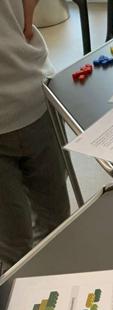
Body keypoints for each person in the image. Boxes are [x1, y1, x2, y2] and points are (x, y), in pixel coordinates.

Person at [0, 0, 70, 272]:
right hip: (31, 86)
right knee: (36, 234)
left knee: (27, 239)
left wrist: (26, 19)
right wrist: (26, 19)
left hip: (33, 94)